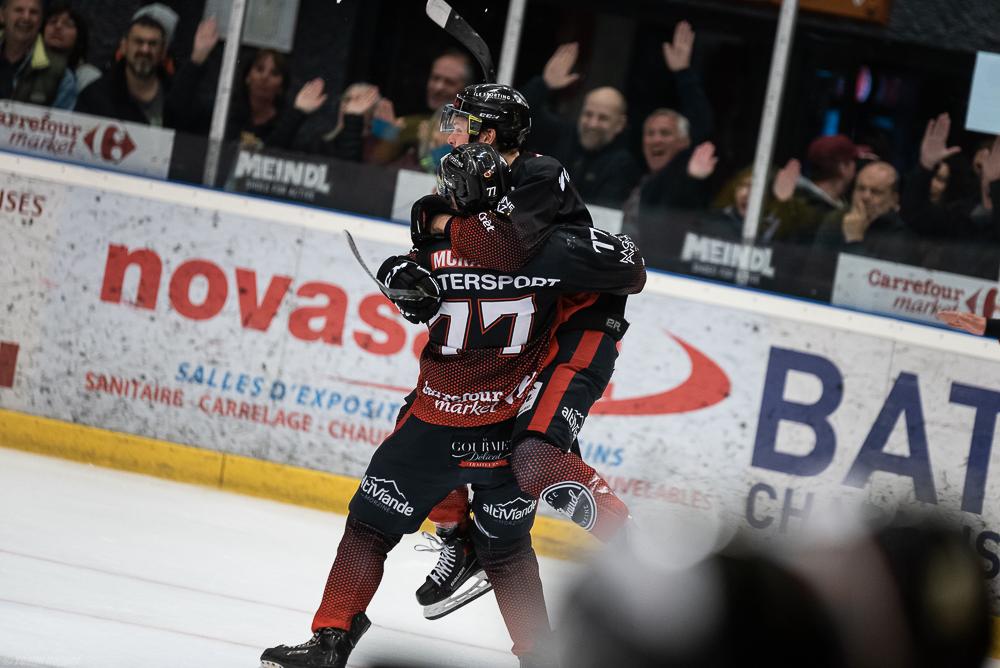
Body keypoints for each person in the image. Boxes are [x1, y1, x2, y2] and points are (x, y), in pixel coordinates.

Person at [259, 142, 647, 668]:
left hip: (435, 423)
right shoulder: (546, 253)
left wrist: (399, 272)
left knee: (369, 529)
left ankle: (332, 639)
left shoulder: (434, 252)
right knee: (507, 552)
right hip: (505, 429)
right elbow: (616, 275)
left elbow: (411, 274)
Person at [406, 83, 637, 619]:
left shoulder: (539, 173)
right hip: (531, 330)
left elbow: (501, 248)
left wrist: (443, 223)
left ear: (488, 135)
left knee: (535, 459)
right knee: (419, 424)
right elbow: (443, 229)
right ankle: (459, 540)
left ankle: (635, 555)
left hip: (579, 325)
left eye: (463, 124)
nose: (451, 133)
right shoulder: (474, 176)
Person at [622, 21, 716, 241]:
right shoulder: (636, 176)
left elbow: (702, 123)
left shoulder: (684, 178)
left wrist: (683, 73)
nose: (656, 140)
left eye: (665, 133)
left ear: (684, 141)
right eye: (650, 133)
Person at [519, 43, 641, 207]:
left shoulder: (623, 165)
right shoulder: (563, 135)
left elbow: (601, 214)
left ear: (620, 125)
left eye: (603, 118)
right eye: (588, 114)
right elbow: (518, 117)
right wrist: (543, 84)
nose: (592, 124)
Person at [75, 5, 218, 133]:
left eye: (153, 44)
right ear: (124, 46)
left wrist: (197, 59)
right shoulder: (97, 96)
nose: (145, 50)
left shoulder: (176, 94)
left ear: (163, 52)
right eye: (138, 42)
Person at [899, 113, 1000, 278]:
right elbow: (914, 216)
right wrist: (925, 167)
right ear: (980, 166)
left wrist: (996, 185)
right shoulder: (961, 214)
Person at [368, 48, 475, 171]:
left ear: (466, 90)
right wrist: (386, 135)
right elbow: (373, 165)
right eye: (435, 78)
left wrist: (440, 153)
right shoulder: (411, 123)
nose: (439, 87)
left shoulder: (472, 136)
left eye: (450, 82)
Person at [768, 134, 868, 244]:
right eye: (854, 161)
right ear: (842, 167)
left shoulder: (796, 201)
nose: (855, 168)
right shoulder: (808, 212)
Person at [811, 161, 916, 263]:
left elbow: (874, 273)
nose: (866, 197)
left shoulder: (901, 236)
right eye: (861, 189)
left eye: (876, 192)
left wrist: (854, 240)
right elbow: (815, 267)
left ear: (894, 199)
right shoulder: (836, 220)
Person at [228, 49, 327, 150]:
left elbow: (272, 152)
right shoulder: (227, 110)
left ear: (281, 87)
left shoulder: (285, 120)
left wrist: (298, 112)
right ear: (247, 77)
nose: (265, 77)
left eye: (274, 73)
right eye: (259, 69)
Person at [0, 0, 76, 109]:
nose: (26, 17)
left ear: (41, 20)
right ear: (2, 15)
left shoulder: (62, 76)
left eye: (33, 12)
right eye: (19, 10)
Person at [41, 1, 99, 95]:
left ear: (79, 35)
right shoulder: (26, 64)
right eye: (53, 21)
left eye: (68, 24)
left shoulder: (87, 77)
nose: (58, 26)